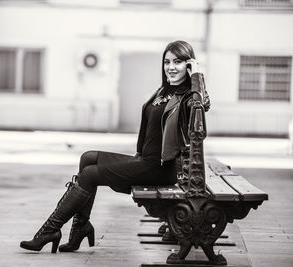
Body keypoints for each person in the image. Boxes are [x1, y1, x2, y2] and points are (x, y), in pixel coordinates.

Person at [20, 40, 210, 253]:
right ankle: (80, 227)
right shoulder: (164, 92)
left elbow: (201, 107)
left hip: (162, 168)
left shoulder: (187, 97)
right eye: (167, 62)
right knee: (87, 157)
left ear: (189, 65)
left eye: (178, 62)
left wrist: (197, 78)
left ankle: (50, 231)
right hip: (145, 160)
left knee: (90, 174)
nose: (171, 67)